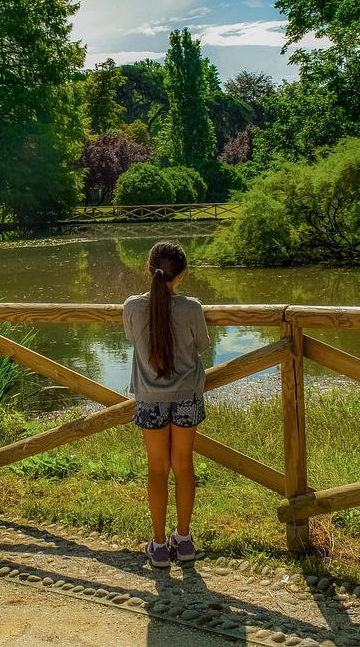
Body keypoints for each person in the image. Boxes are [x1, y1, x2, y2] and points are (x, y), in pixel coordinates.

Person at [123, 240, 210, 568]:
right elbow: (202, 344)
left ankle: (159, 546)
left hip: (150, 399)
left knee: (157, 469)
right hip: (186, 396)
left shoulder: (132, 307)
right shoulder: (191, 308)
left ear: (148, 269)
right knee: (183, 466)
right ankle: (184, 542)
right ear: (182, 275)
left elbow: (132, 340)